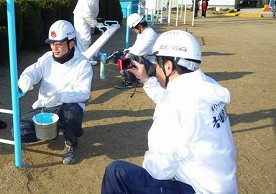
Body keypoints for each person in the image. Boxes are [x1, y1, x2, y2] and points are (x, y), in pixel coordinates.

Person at [101, 30, 238, 194]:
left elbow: (159, 171)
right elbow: (173, 103)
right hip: (220, 184)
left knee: (117, 172)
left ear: (168, 66)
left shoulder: (175, 105)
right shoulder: (206, 85)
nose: (154, 68)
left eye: (156, 63)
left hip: (197, 189)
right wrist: (146, 79)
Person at [18, 20, 93, 165]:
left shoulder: (82, 63)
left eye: (59, 43)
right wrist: (25, 79)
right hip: (45, 107)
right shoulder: (46, 58)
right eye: (52, 43)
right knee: (18, 131)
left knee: (70, 114)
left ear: (71, 43)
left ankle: (70, 143)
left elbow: (84, 93)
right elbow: (33, 71)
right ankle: (52, 131)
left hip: (68, 107)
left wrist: (61, 96)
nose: (54, 48)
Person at [113, 13, 157, 89]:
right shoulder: (143, 33)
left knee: (129, 57)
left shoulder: (150, 35)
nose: (133, 30)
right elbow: (134, 47)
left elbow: (137, 52)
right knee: (128, 56)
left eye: (133, 28)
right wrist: (122, 51)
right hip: (147, 63)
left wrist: (124, 53)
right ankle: (134, 78)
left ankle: (128, 81)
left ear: (140, 26)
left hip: (153, 67)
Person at [73, 0, 110, 65]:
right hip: (81, 19)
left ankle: (87, 57)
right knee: (84, 39)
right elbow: (87, 15)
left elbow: (92, 12)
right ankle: (85, 60)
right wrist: (96, 24)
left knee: (86, 39)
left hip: (86, 19)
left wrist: (95, 23)